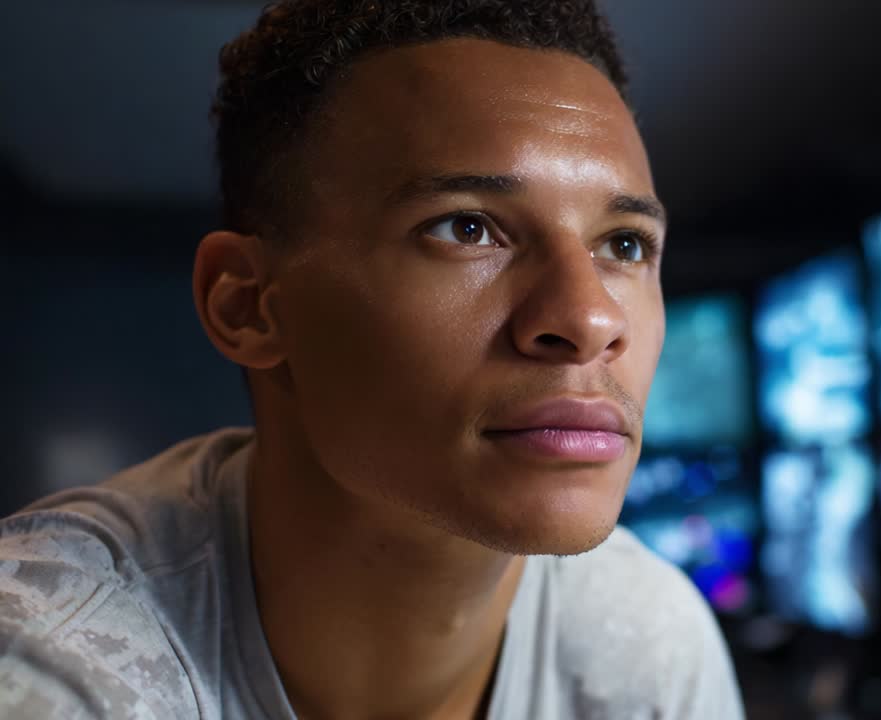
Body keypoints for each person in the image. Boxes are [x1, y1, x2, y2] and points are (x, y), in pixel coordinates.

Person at [0, 1, 746, 717]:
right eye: (466, 228)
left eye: (624, 245)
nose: (590, 319)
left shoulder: (649, 647)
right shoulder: (52, 668)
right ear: (248, 304)